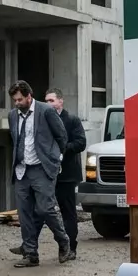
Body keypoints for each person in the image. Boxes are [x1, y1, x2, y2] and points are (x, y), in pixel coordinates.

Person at [8, 80, 71, 268]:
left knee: (45, 209)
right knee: (24, 214)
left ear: (29, 96)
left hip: (41, 169)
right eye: (14, 100)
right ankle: (30, 254)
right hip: (21, 170)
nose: (17, 103)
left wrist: (56, 158)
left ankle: (63, 240)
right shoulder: (13, 115)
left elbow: (62, 136)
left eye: (20, 99)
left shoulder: (46, 111)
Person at [45, 88, 86, 259]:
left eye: (52, 100)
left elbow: (81, 143)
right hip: (47, 172)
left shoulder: (72, 120)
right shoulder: (43, 120)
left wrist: (62, 149)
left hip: (66, 175)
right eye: (46, 101)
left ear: (61, 101)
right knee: (41, 210)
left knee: (68, 212)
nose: (49, 104)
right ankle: (29, 247)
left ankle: (71, 248)